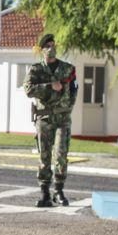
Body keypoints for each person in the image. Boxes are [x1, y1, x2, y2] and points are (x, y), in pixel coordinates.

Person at [23, 33, 78, 207]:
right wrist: (49, 87)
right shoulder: (36, 70)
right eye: (47, 46)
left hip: (62, 118)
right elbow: (28, 89)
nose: (51, 48)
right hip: (44, 118)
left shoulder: (68, 69)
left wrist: (67, 107)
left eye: (53, 45)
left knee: (61, 154)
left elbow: (74, 90)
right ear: (41, 50)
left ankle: (59, 190)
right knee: (44, 156)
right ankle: (45, 192)